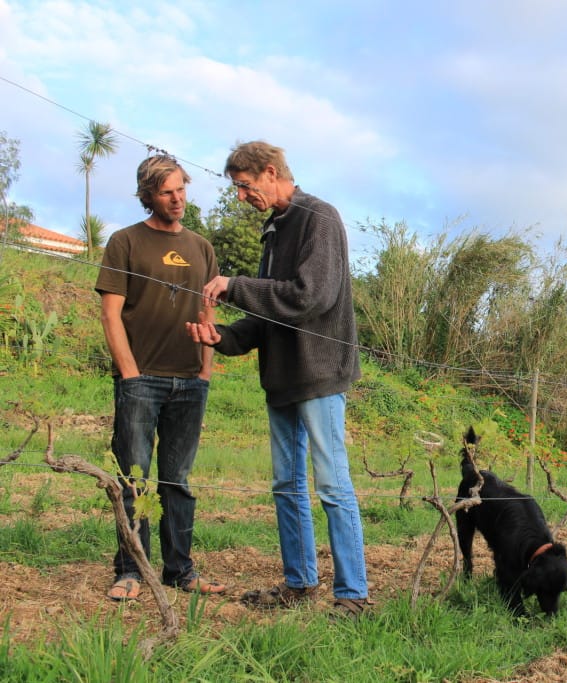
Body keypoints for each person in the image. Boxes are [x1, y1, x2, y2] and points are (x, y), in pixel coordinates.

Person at [186, 140, 371, 618]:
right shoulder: (274, 229)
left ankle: (352, 595)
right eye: (238, 190)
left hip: (320, 374)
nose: (243, 197)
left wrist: (235, 285)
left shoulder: (319, 217)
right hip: (282, 378)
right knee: (286, 485)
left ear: (270, 172)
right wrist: (220, 337)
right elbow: (273, 314)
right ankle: (299, 583)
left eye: (245, 187)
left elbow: (310, 296)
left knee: (332, 485)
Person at [96, 154, 225, 601]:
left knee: (179, 482)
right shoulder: (125, 242)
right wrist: (130, 373)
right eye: (167, 191)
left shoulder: (201, 247)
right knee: (134, 479)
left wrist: (206, 371)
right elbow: (111, 314)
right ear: (147, 194)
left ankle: (180, 571)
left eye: (182, 189)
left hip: (190, 381)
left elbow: (210, 313)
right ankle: (130, 571)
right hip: (141, 380)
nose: (178, 199)